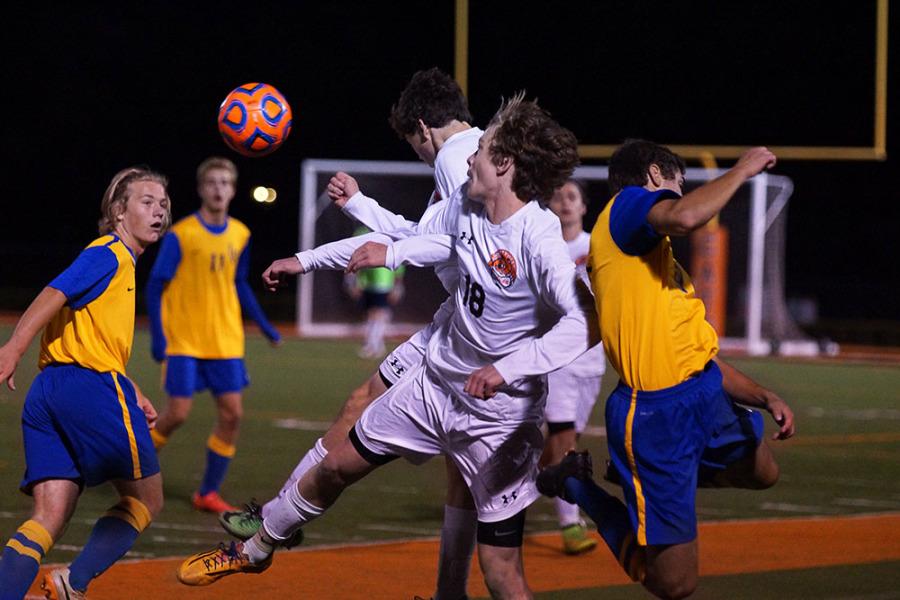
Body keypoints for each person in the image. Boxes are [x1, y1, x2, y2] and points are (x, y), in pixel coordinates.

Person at [179, 94, 588, 599]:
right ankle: (257, 547)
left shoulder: (540, 239)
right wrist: (334, 256)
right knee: (334, 464)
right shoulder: (469, 204)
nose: (470, 156)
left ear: (502, 164)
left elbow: (583, 322)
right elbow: (427, 241)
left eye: (481, 148)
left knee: (502, 574)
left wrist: (509, 368)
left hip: (499, 418)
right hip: (436, 387)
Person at [219, 67, 484, 599]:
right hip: (460, 325)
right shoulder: (475, 154)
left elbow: (458, 243)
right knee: (362, 404)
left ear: (421, 127)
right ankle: (276, 517)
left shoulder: (459, 158)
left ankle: (276, 524)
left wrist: (373, 250)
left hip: (472, 337)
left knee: (367, 448)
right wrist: (319, 248)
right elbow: (419, 235)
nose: (417, 153)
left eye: (411, 142)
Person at [538, 140, 796, 599]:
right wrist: (742, 169)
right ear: (655, 175)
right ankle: (577, 484)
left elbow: (697, 353)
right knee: (674, 584)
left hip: (705, 394)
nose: (679, 195)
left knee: (763, 472)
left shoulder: (658, 262)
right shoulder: (627, 205)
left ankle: (651, 484)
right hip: (658, 416)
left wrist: (763, 394)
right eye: (678, 185)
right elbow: (683, 216)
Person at [0, 167, 170, 599]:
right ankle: (69, 585)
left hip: (49, 393)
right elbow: (52, 293)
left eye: (163, 204)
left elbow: (87, 337)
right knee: (146, 501)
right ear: (118, 212)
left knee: (48, 515)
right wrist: (14, 347)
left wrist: (130, 387)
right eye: (147, 202)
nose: (159, 211)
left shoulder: (118, 263)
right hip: (87, 390)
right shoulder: (109, 253)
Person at [146, 156, 281, 513]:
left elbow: (240, 284)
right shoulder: (181, 234)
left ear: (233, 190)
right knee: (175, 415)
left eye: (225, 182)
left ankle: (207, 492)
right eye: (212, 182)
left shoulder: (241, 234)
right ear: (201, 188)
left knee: (232, 415)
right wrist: (159, 336)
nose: (219, 188)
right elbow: (155, 285)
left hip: (225, 341)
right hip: (185, 340)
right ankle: (130, 472)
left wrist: (264, 325)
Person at [542, 179, 606, 555]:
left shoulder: (596, 248)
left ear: (584, 207)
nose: (564, 202)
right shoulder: (542, 246)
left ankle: (520, 485)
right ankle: (570, 525)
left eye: (571, 197)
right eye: (557, 195)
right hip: (556, 362)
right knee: (565, 442)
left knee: (559, 446)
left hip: (592, 363)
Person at [345, 225, 405, 359]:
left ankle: (374, 345)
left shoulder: (390, 232)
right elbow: (353, 255)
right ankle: (374, 344)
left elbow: (398, 259)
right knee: (371, 314)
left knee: (377, 314)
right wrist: (353, 281)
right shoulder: (360, 232)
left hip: (383, 282)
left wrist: (397, 285)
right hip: (367, 282)